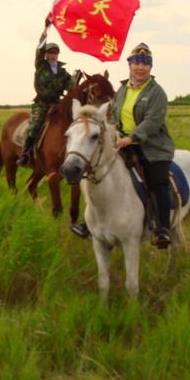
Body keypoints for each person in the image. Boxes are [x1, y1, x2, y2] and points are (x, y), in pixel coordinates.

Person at [70, 43, 175, 249]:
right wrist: (109, 132)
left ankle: (162, 227)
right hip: (122, 141)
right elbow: (114, 116)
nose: (140, 67)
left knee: (156, 180)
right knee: (97, 173)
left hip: (153, 146)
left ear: (150, 68)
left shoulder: (156, 93)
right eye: (136, 62)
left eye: (145, 64)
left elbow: (152, 122)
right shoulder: (123, 90)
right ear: (129, 65)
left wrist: (132, 137)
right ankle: (93, 223)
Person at [17, 19, 78, 167]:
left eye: (55, 53)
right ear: (46, 55)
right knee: (35, 126)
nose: (53, 56)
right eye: (50, 53)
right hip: (42, 104)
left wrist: (75, 79)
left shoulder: (62, 72)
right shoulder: (41, 65)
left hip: (57, 104)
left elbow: (70, 86)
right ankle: (26, 153)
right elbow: (39, 48)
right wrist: (46, 29)